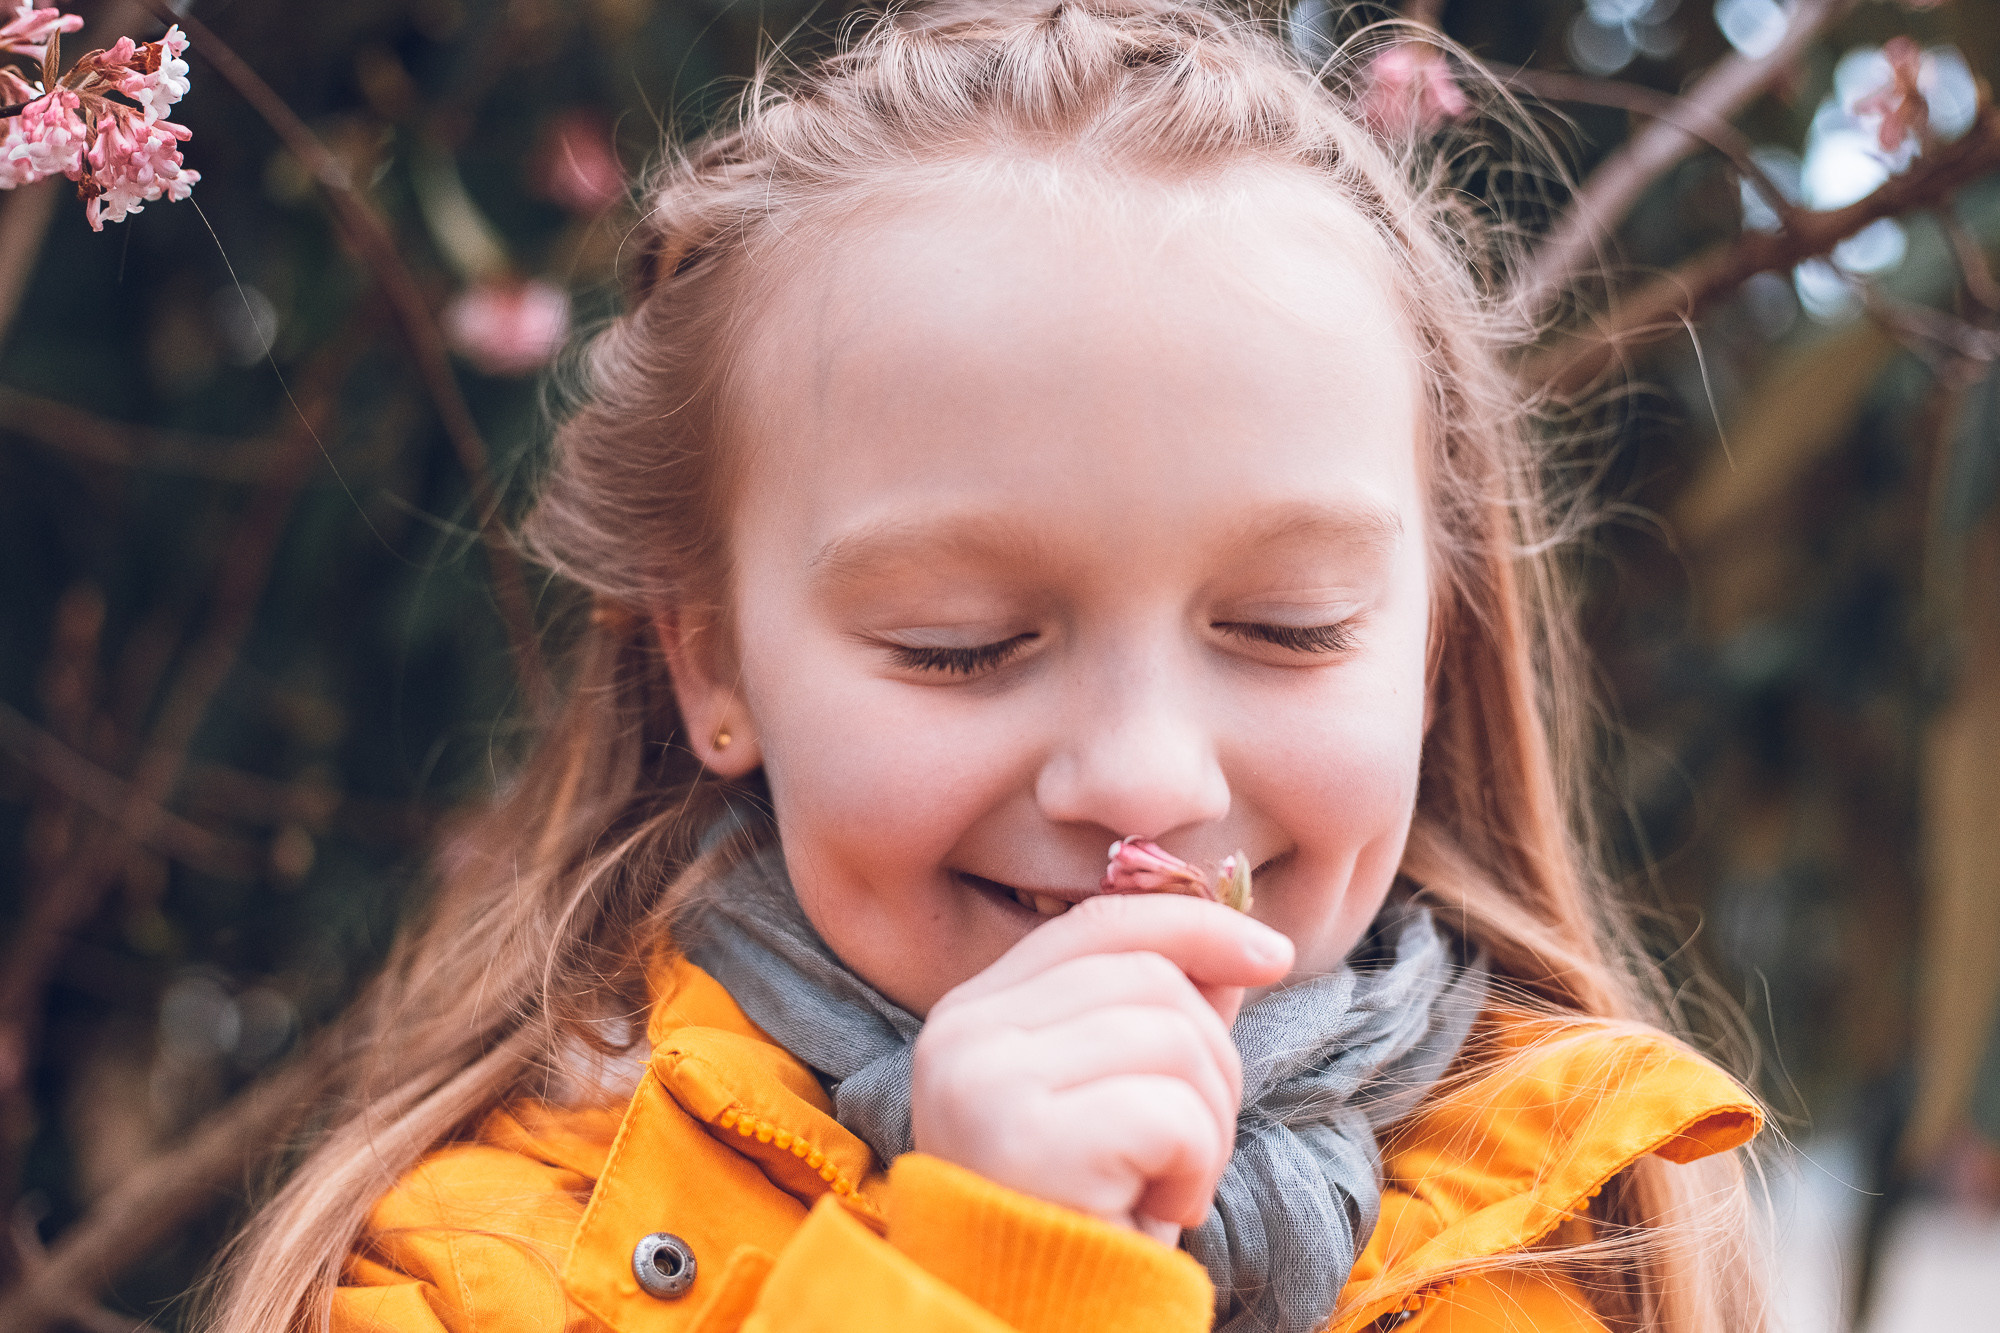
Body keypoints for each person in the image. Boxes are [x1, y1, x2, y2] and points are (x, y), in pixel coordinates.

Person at [204, 2, 1765, 1330]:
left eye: (1288, 626)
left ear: (1432, 645)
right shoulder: (483, 1270)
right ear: (711, 664)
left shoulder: (1612, 1224)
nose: (1149, 774)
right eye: (960, 646)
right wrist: (976, 1273)